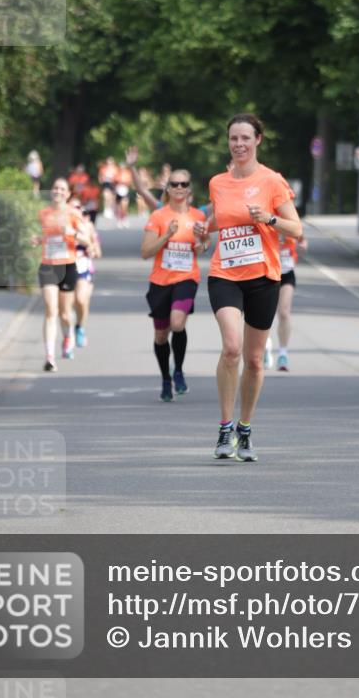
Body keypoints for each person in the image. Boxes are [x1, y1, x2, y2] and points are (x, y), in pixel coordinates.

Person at [194, 114, 302, 462]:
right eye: (233, 138)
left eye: (244, 138)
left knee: (255, 361)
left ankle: (245, 428)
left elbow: (296, 229)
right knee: (231, 348)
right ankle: (224, 427)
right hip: (225, 273)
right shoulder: (217, 183)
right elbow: (220, 219)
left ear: (258, 140)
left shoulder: (272, 182)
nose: (238, 144)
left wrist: (268, 219)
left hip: (263, 277)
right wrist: (204, 231)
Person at [141, 170, 207, 401]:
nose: (179, 187)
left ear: (189, 189)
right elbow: (146, 252)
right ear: (168, 188)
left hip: (186, 278)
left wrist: (201, 243)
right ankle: (165, 379)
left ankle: (178, 370)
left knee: (177, 323)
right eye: (174, 184)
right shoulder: (158, 216)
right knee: (161, 335)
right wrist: (166, 236)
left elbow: (202, 247)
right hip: (160, 281)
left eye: (184, 184)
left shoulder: (198, 216)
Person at [32, 178, 92, 372]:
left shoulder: (73, 214)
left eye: (62, 189)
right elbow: (48, 236)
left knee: (65, 314)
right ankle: (49, 356)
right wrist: (38, 239)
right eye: (55, 188)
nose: (57, 191)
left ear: (67, 194)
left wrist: (72, 233)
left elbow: (87, 240)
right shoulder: (44, 213)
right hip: (48, 265)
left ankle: (68, 336)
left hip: (67, 266)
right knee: (51, 310)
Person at [263, 232, 307, 372]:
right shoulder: (265, 218)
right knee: (264, 314)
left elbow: (302, 240)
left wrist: (302, 246)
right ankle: (265, 347)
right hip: (267, 274)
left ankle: (283, 354)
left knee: (283, 312)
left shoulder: (291, 220)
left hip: (286, 273)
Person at [69, 198, 102, 348]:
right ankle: (68, 332)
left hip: (83, 267)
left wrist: (92, 248)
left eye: (79, 210)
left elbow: (97, 252)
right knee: (71, 303)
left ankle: (80, 327)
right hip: (65, 267)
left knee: (81, 300)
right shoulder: (62, 226)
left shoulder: (88, 227)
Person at [114, 162, 133, 228]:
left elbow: (129, 182)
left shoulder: (128, 173)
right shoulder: (117, 174)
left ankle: (125, 219)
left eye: (123, 167)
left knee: (125, 206)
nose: (122, 168)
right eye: (121, 167)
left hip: (125, 191)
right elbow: (114, 182)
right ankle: (119, 220)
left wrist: (124, 182)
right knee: (119, 207)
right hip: (118, 191)